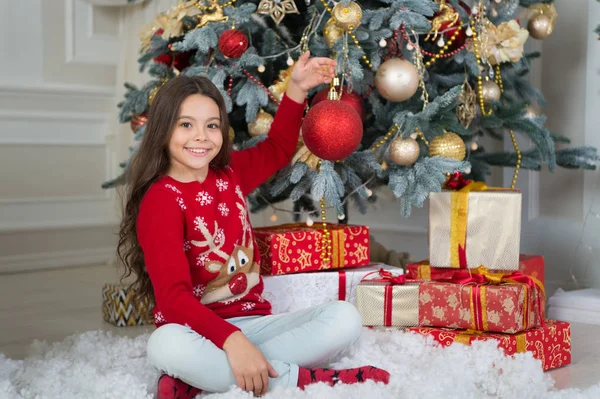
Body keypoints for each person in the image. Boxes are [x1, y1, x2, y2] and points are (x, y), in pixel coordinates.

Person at [117, 51, 390, 399]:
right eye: (186, 124)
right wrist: (231, 342)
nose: (200, 136)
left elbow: (277, 148)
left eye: (211, 125)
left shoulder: (229, 174)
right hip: (194, 330)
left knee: (345, 318)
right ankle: (298, 380)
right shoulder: (161, 200)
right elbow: (172, 299)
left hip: (254, 325)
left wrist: (297, 88)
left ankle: (200, 377)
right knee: (163, 345)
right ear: (163, 130)